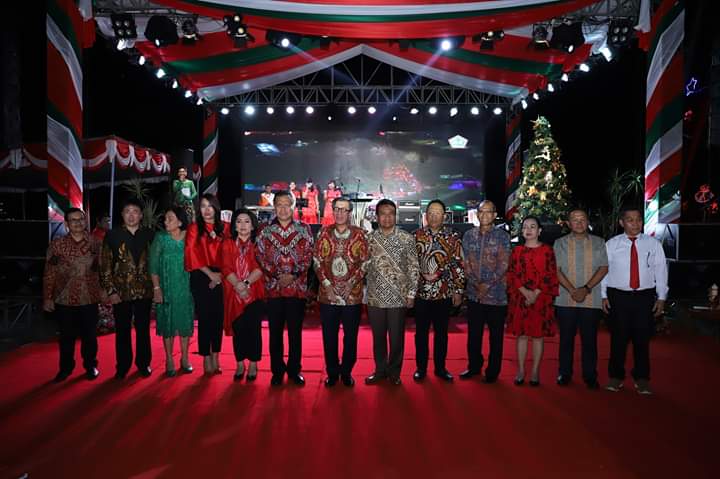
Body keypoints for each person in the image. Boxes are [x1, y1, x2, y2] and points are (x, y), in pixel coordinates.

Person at [601, 208, 668, 395]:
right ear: (621, 223)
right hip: (618, 296)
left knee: (642, 339)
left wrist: (661, 298)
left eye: (638, 219)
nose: (635, 223)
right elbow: (604, 271)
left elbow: (661, 271)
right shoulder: (612, 244)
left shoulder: (653, 244)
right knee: (618, 339)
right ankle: (616, 377)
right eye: (630, 220)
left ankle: (642, 378)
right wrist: (603, 295)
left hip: (644, 297)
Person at [256, 191, 314, 386]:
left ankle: (294, 370)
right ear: (274, 207)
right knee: (275, 333)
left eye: (286, 204)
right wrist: (277, 275)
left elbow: (309, 255)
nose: (283, 209)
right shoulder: (265, 230)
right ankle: (277, 371)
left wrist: (293, 275)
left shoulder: (304, 229)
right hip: (274, 289)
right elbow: (260, 256)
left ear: (293, 206)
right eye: (279, 204)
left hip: (297, 289)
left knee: (295, 333)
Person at [313, 197, 370, 387]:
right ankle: (332, 372)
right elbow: (317, 261)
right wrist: (327, 285)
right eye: (337, 209)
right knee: (329, 337)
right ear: (332, 210)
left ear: (350, 212)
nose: (340, 213)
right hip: (327, 295)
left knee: (350, 337)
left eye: (344, 210)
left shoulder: (360, 234)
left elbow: (366, 262)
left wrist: (351, 283)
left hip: (351, 295)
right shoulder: (323, 232)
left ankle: (346, 372)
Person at [43, 208, 104, 382]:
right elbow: (49, 272)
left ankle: (90, 365)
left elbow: (103, 269)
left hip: (89, 297)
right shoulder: (57, 245)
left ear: (85, 221)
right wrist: (47, 297)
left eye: (81, 219)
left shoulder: (96, 243)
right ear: (66, 224)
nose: (78, 223)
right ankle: (65, 368)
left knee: (90, 336)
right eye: (73, 220)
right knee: (66, 337)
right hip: (64, 298)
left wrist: (105, 290)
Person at [365, 199, 420, 385]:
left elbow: (414, 266)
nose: (387, 218)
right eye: (383, 214)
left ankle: (394, 373)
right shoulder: (369, 239)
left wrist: (411, 293)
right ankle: (380, 371)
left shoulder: (406, 238)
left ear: (396, 216)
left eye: (391, 214)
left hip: (399, 296)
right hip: (375, 297)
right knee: (378, 338)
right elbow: (362, 265)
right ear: (377, 216)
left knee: (396, 339)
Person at [100, 199, 155, 379]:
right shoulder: (112, 235)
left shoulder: (149, 234)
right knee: (122, 330)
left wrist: (157, 287)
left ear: (141, 215)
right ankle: (123, 365)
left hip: (145, 290)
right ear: (122, 215)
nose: (131, 215)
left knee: (143, 329)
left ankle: (143, 363)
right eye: (127, 211)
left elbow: (156, 263)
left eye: (135, 211)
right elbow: (105, 265)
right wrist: (111, 291)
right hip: (121, 292)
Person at [554, 209, 608, 389]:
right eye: (575, 220)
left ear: (588, 222)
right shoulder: (559, 243)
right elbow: (556, 270)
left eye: (582, 219)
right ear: (568, 223)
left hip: (591, 299)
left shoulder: (599, 242)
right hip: (565, 299)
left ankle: (590, 375)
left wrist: (585, 289)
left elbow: (603, 268)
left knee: (590, 340)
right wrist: (572, 290)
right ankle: (564, 373)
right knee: (566, 339)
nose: (579, 223)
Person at [413, 199, 464, 382]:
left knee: (441, 334)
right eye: (431, 213)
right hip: (421, 294)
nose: (434, 216)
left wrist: (458, 290)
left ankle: (440, 368)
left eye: (438, 213)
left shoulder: (453, 237)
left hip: (444, 293)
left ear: (444, 216)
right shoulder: (416, 235)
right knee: (421, 334)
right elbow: (410, 264)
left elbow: (458, 264)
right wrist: (417, 279)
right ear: (426, 215)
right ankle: (421, 368)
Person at [459, 200, 511, 384]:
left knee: (496, 337)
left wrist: (487, 285)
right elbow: (465, 263)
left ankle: (493, 371)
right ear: (477, 214)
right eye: (482, 211)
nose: (485, 215)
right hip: (474, 295)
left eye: (489, 212)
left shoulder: (502, 236)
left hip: (496, 296)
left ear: (495, 215)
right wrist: (476, 283)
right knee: (474, 335)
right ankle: (474, 366)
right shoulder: (468, 235)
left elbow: (504, 264)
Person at [507, 216, 559, 387]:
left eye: (532, 226)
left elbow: (550, 274)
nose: (528, 230)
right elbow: (512, 274)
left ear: (539, 230)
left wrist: (535, 294)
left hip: (541, 298)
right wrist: (525, 292)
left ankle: (535, 371)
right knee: (521, 336)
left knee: (538, 336)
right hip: (520, 298)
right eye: (525, 227)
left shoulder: (547, 251)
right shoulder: (516, 251)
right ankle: (521, 370)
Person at [185, 194, 229, 376]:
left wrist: (220, 276)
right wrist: (210, 274)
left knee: (218, 318)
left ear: (216, 208)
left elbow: (230, 253)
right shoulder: (194, 228)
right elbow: (191, 253)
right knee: (204, 318)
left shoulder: (225, 227)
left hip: (222, 275)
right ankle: (206, 356)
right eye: (203, 206)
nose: (207, 210)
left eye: (210, 206)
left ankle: (216, 355)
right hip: (201, 275)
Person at [221, 208, 265, 382]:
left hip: (254, 293)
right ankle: (240, 364)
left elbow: (260, 267)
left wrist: (245, 284)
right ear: (234, 225)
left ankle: (253, 363)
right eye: (239, 221)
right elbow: (225, 268)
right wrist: (238, 285)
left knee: (254, 330)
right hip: (234, 293)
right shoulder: (227, 244)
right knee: (238, 329)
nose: (243, 225)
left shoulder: (259, 244)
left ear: (253, 226)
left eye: (247, 221)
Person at [149, 207, 194, 377]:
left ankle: (185, 358)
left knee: (185, 322)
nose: (166, 222)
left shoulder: (189, 237)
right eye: (165, 218)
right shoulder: (160, 238)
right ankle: (169, 359)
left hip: (186, 287)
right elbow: (153, 265)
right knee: (167, 323)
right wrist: (156, 288)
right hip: (166, 287)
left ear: (180, 222)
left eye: (170, 218)